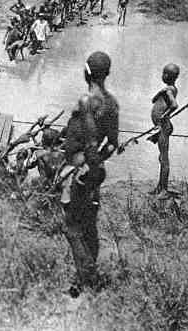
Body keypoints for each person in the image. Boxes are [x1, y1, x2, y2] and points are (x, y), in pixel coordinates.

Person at [59, 52, 119, 297]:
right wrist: (97, 166)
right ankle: (81, 281)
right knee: (89, 226)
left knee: (71, 227)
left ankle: (87, 279)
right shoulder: (112, 103)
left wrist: (86, 167)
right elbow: (112, 144)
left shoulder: (87, 101)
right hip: (95, 170)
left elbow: (92, 141)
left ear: (87, 72)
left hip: (81, 170)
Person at [150, 64, 179, 198]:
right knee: (162, 157)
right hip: (162, 126)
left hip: (164, 126)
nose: (162, 75)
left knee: (164, 158)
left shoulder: (169, 90)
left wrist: (163, 115)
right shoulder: (169, 89)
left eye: (164, 73)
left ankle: (164, 190)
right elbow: (153, 100)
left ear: (167, 75)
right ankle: (160, 186)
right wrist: (160, 93)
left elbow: (174, 105)